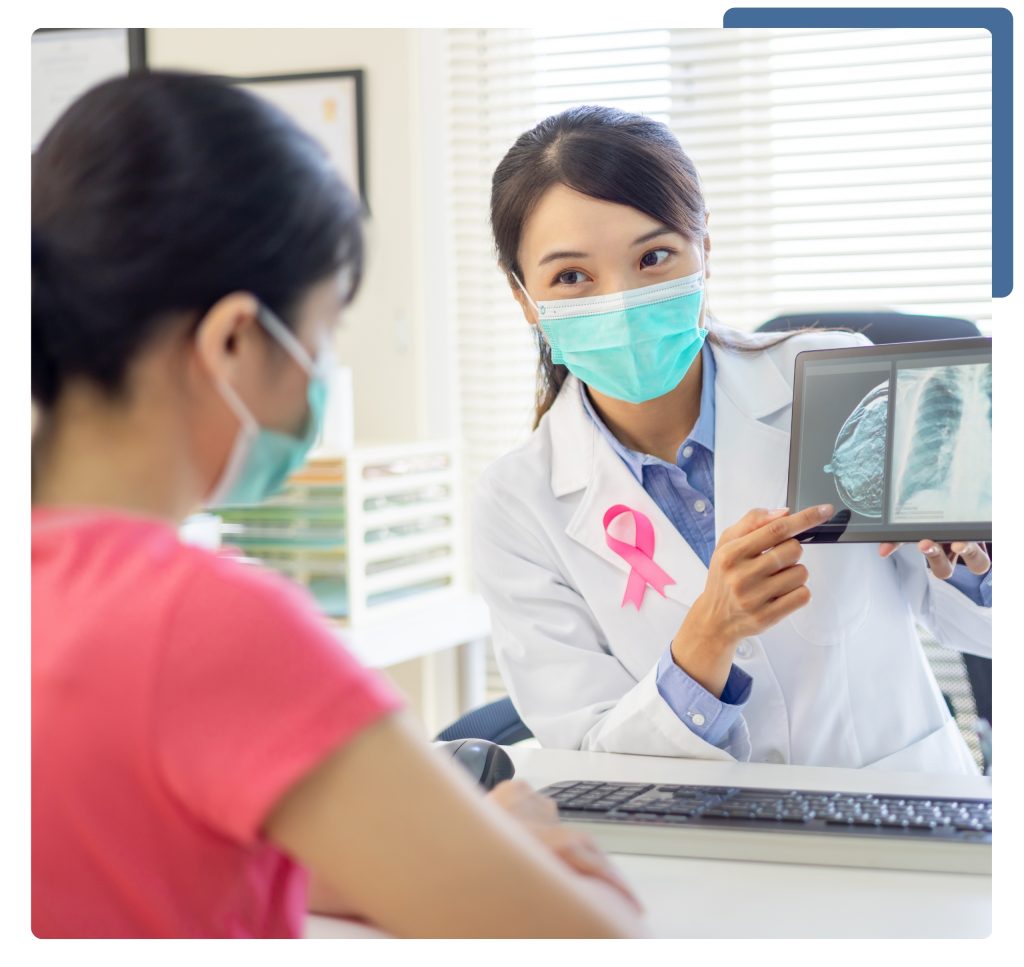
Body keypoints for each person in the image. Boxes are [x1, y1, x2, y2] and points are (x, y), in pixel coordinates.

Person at [31, 73, 645, 940]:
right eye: (323, 331)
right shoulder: (205, 623)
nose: (322, 372)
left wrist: (385, 858)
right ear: (235, 341)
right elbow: (592, 941)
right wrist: (507, 848)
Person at [472, 105, 991, 775]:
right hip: (703, 831)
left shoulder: (837, 383)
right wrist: (707, 637)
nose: (622, 299)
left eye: (653, 257)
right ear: (524, 297)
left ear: (705, 251)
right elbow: (588, 761)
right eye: (572, 276)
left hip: (903, 803)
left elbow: (981, 628)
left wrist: (978, 558)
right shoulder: (516, 502)